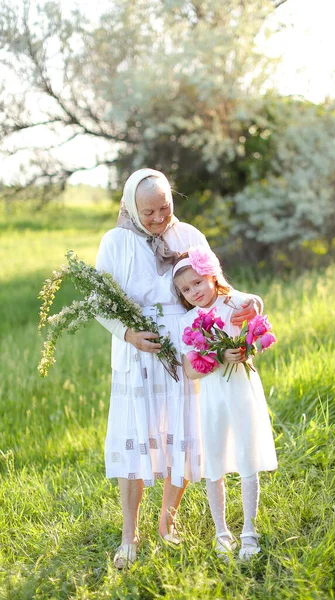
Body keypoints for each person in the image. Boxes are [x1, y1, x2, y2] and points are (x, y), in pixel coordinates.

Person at [94, 168, 261, 568]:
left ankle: (167, 522)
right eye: (148, 211)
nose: (157, 218)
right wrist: (129, 334)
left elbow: (217, 284)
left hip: (188, 345)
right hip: (139, 348)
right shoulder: (115, 242)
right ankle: (128, 533)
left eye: (164, 208)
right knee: (137, 435)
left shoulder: (189, 236)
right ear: (131, 207)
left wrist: (248, 301)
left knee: (183, 434)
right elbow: (101, 302)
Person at [173, 246, 278, 561]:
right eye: (185, 289)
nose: (194, 292)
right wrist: (218, 356)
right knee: (215, 461)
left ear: (211, 275)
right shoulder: (189, 320)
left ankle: (249, 531)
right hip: (213, 396)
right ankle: (222, 533)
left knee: (247, 456)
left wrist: (254, 314)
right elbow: (190, 370)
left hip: (242, 390)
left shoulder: (232, 302)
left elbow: (253, 305)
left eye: (197, 283)